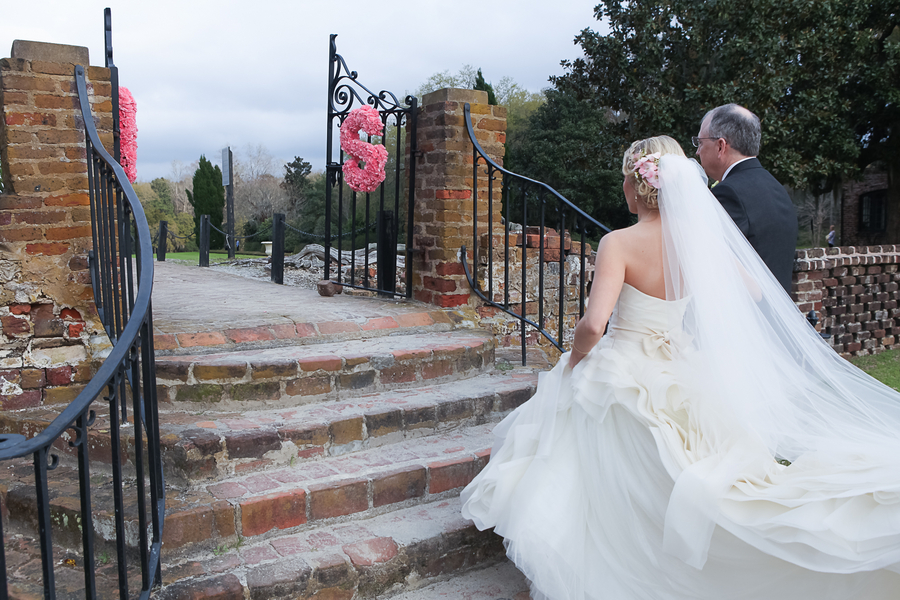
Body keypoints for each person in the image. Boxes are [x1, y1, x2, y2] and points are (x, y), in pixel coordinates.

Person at [461, 135, 900, 600]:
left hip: (625, 364)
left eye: (624, 180)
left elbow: (593, 323)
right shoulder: (700, 242)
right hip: (680, 365)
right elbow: (753, 291)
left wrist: (574, 359)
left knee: (597, 452)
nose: (622, 190)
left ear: (637, 185)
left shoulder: (619, 242)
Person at [694, 104, 797, 294]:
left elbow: (709, 266)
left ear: (720, 146)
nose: (697, 152)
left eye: (700, 143)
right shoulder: (777, 188)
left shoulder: (729, 194)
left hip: (745, 319)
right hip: (778, 317)